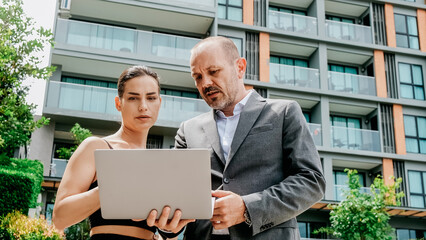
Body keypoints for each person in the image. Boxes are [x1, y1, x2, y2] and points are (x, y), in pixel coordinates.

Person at [175, 36, 326, 240]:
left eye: (213, 71)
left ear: (240, 67)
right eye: (197, 77)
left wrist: (247, 208)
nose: (206, 83)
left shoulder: (284, 112)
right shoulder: (188, 129)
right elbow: (177, 191)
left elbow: (311, 181)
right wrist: (169, 226)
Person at [53, 66, 194, 240]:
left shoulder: (160, 164)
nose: (143, 107)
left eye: (151, 98)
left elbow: (168, 232)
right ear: (119, 103)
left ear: (159, 102)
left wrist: (171, 228)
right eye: (133, 98)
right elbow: (59, 218)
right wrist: (115, 187)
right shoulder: (96, 147)